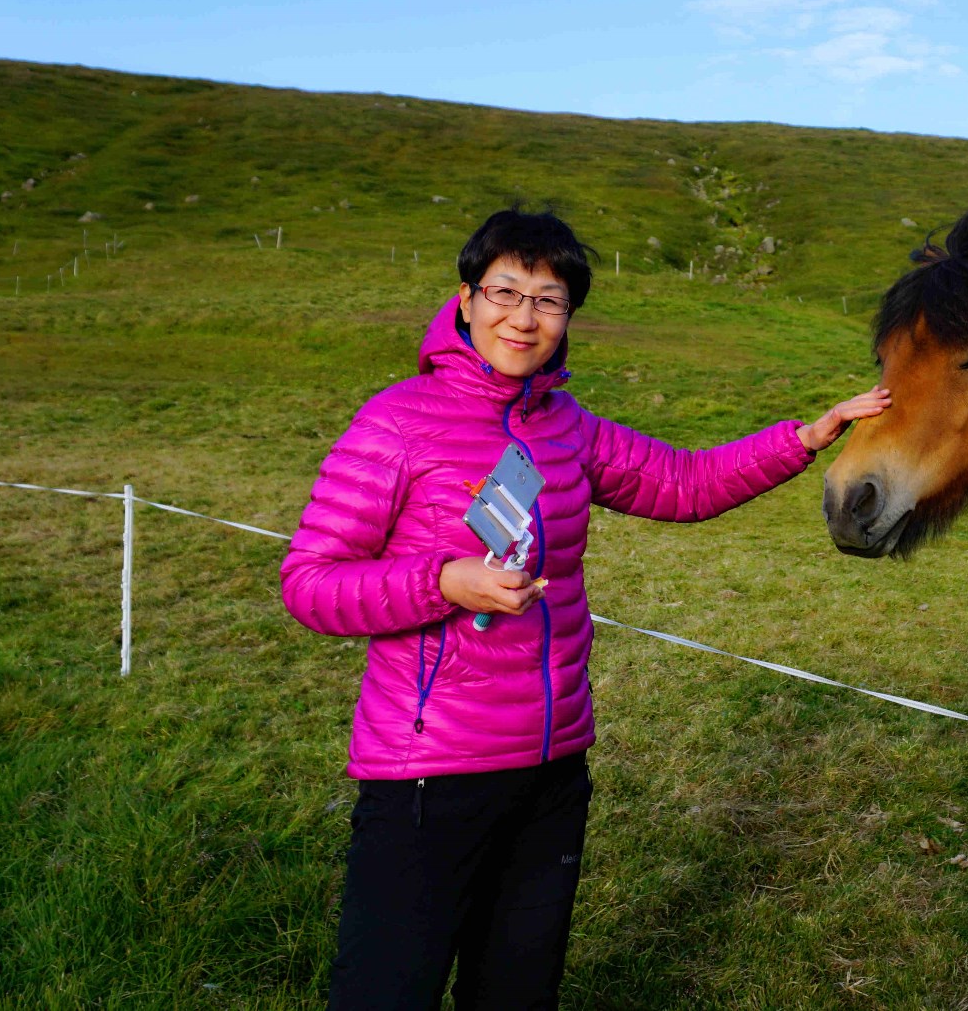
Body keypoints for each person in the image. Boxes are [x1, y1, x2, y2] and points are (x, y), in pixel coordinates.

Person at [281, 206, 888, 1010]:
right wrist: (444, 580)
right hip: (427, 776)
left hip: (552, 771)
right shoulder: (395, 422)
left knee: (518, 993)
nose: (523, 317)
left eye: (549, 299)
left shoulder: (566, 426)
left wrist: (807, 437)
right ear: (464, 299)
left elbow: (685, 483)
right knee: (388, 994)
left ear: (568, 318)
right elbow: (310, 583)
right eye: (505, 291)